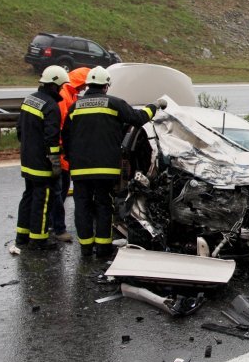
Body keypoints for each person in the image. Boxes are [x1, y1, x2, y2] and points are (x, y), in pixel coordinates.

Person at [63, 66, 158, 258]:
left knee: (82, 206)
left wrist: (71, 158)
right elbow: (138, 118)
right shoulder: (114, 104)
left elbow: (66, 137)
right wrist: (154, 106)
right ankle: (103, 249)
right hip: (105, 168)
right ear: (106, 86)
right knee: (103, 205)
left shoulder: (75, 108)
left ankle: (86, 248)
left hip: (80, 169)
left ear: (88, 84)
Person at [15, 65, 68, 250]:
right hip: (41, 164)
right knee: (43, 200)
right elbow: (51, 139)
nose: (61, 90)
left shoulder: (29, 99)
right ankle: (38, 239)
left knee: (28, 197)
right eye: (61, 86)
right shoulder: (51, 107)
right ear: (54, 85)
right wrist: (55, 164)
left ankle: (22, 236)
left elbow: (20, 131)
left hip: (27, 160)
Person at [48, 66, 90, 242]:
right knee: (59, 191)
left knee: (59, 191)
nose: (83, 90)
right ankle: (58, 228)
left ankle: (50, 223)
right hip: (60, 152)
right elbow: (61, 124)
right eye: (83, 86)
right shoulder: (65, 94)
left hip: (62, 151)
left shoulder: (70, 93)